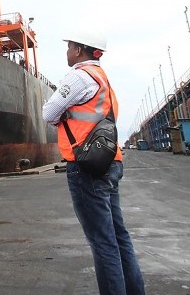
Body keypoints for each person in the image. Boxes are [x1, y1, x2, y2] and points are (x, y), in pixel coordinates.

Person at [42, 30, 145, 295]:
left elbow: (48, 113)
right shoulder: (103, 80)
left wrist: (63, 113)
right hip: (110, 162)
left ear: (79, 50)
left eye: (69, 47)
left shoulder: (79, 76)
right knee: (119, 238)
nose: (66, 52)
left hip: (87, 166)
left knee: (102, 242)